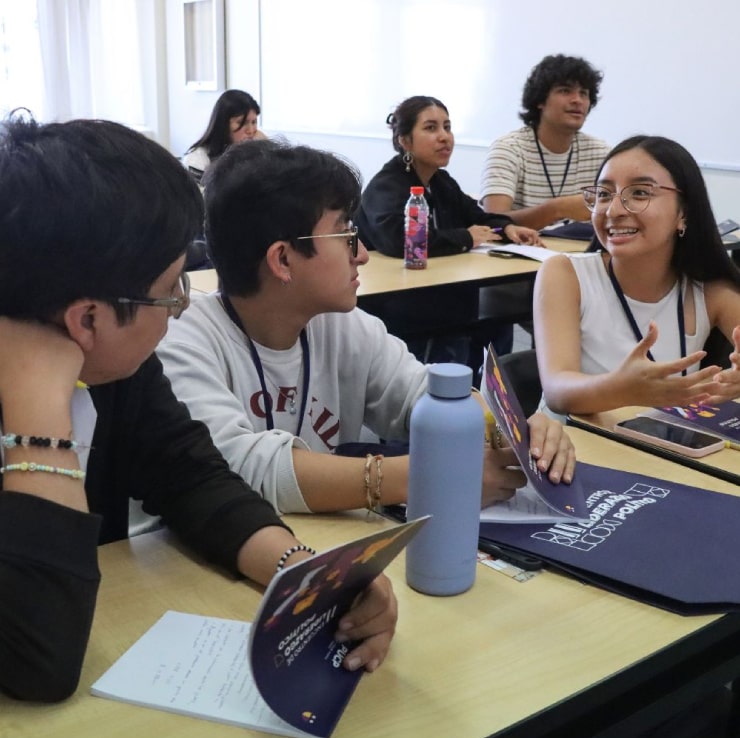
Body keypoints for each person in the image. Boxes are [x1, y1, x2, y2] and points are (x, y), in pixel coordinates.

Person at [0, 115, 396, 703]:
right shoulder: (72, 376)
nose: (179, 309)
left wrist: (309, 578)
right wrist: (38, 415)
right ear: (87, 319)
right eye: (170, 290)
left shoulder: (115, 372)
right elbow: (41, 662)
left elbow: (191, 477)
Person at [153, 139, 575, 521]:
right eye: (345, 234)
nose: (363, 256)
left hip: (321, 542)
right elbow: (241, 468)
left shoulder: (342, 326)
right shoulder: (183, 341)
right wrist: (429, 475)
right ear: (282, 260)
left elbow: (422, 394)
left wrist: (510, 431)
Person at [534, 134, 740, 418]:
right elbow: (558, 391)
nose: (614, 210)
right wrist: (624, 389)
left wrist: (733, 384)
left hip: (655, 451)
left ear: (684, 213)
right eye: (604, 194)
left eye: (640, 193)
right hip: (568, 449)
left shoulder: (708, 291)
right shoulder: (565, 273)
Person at [355, 95, 542, 362]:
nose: (444, 137)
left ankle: (485, 388)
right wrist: (465, 237)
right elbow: (398, 241)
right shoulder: (386, 185)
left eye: (447, 127)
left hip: (437, 289)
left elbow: (476, 215)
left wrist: (507, 228)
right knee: (468, 322)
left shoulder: (441, 181)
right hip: (396, 301)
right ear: (405, 141)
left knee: (495, 320)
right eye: (431, 128)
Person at [480, 54, 609, 231]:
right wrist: (557, 209)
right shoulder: (509, 149)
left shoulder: (601, 153)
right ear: (540, 100)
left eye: (583, 93)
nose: (577, 100)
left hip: (578, 253)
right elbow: (493, 222)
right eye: (565, 91)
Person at [183, 89, 266, 182]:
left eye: (254, 122)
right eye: (242, 123)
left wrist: (267, 149)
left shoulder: (256, 151)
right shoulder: (198, 159)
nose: (251, 130)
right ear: (223, 124)